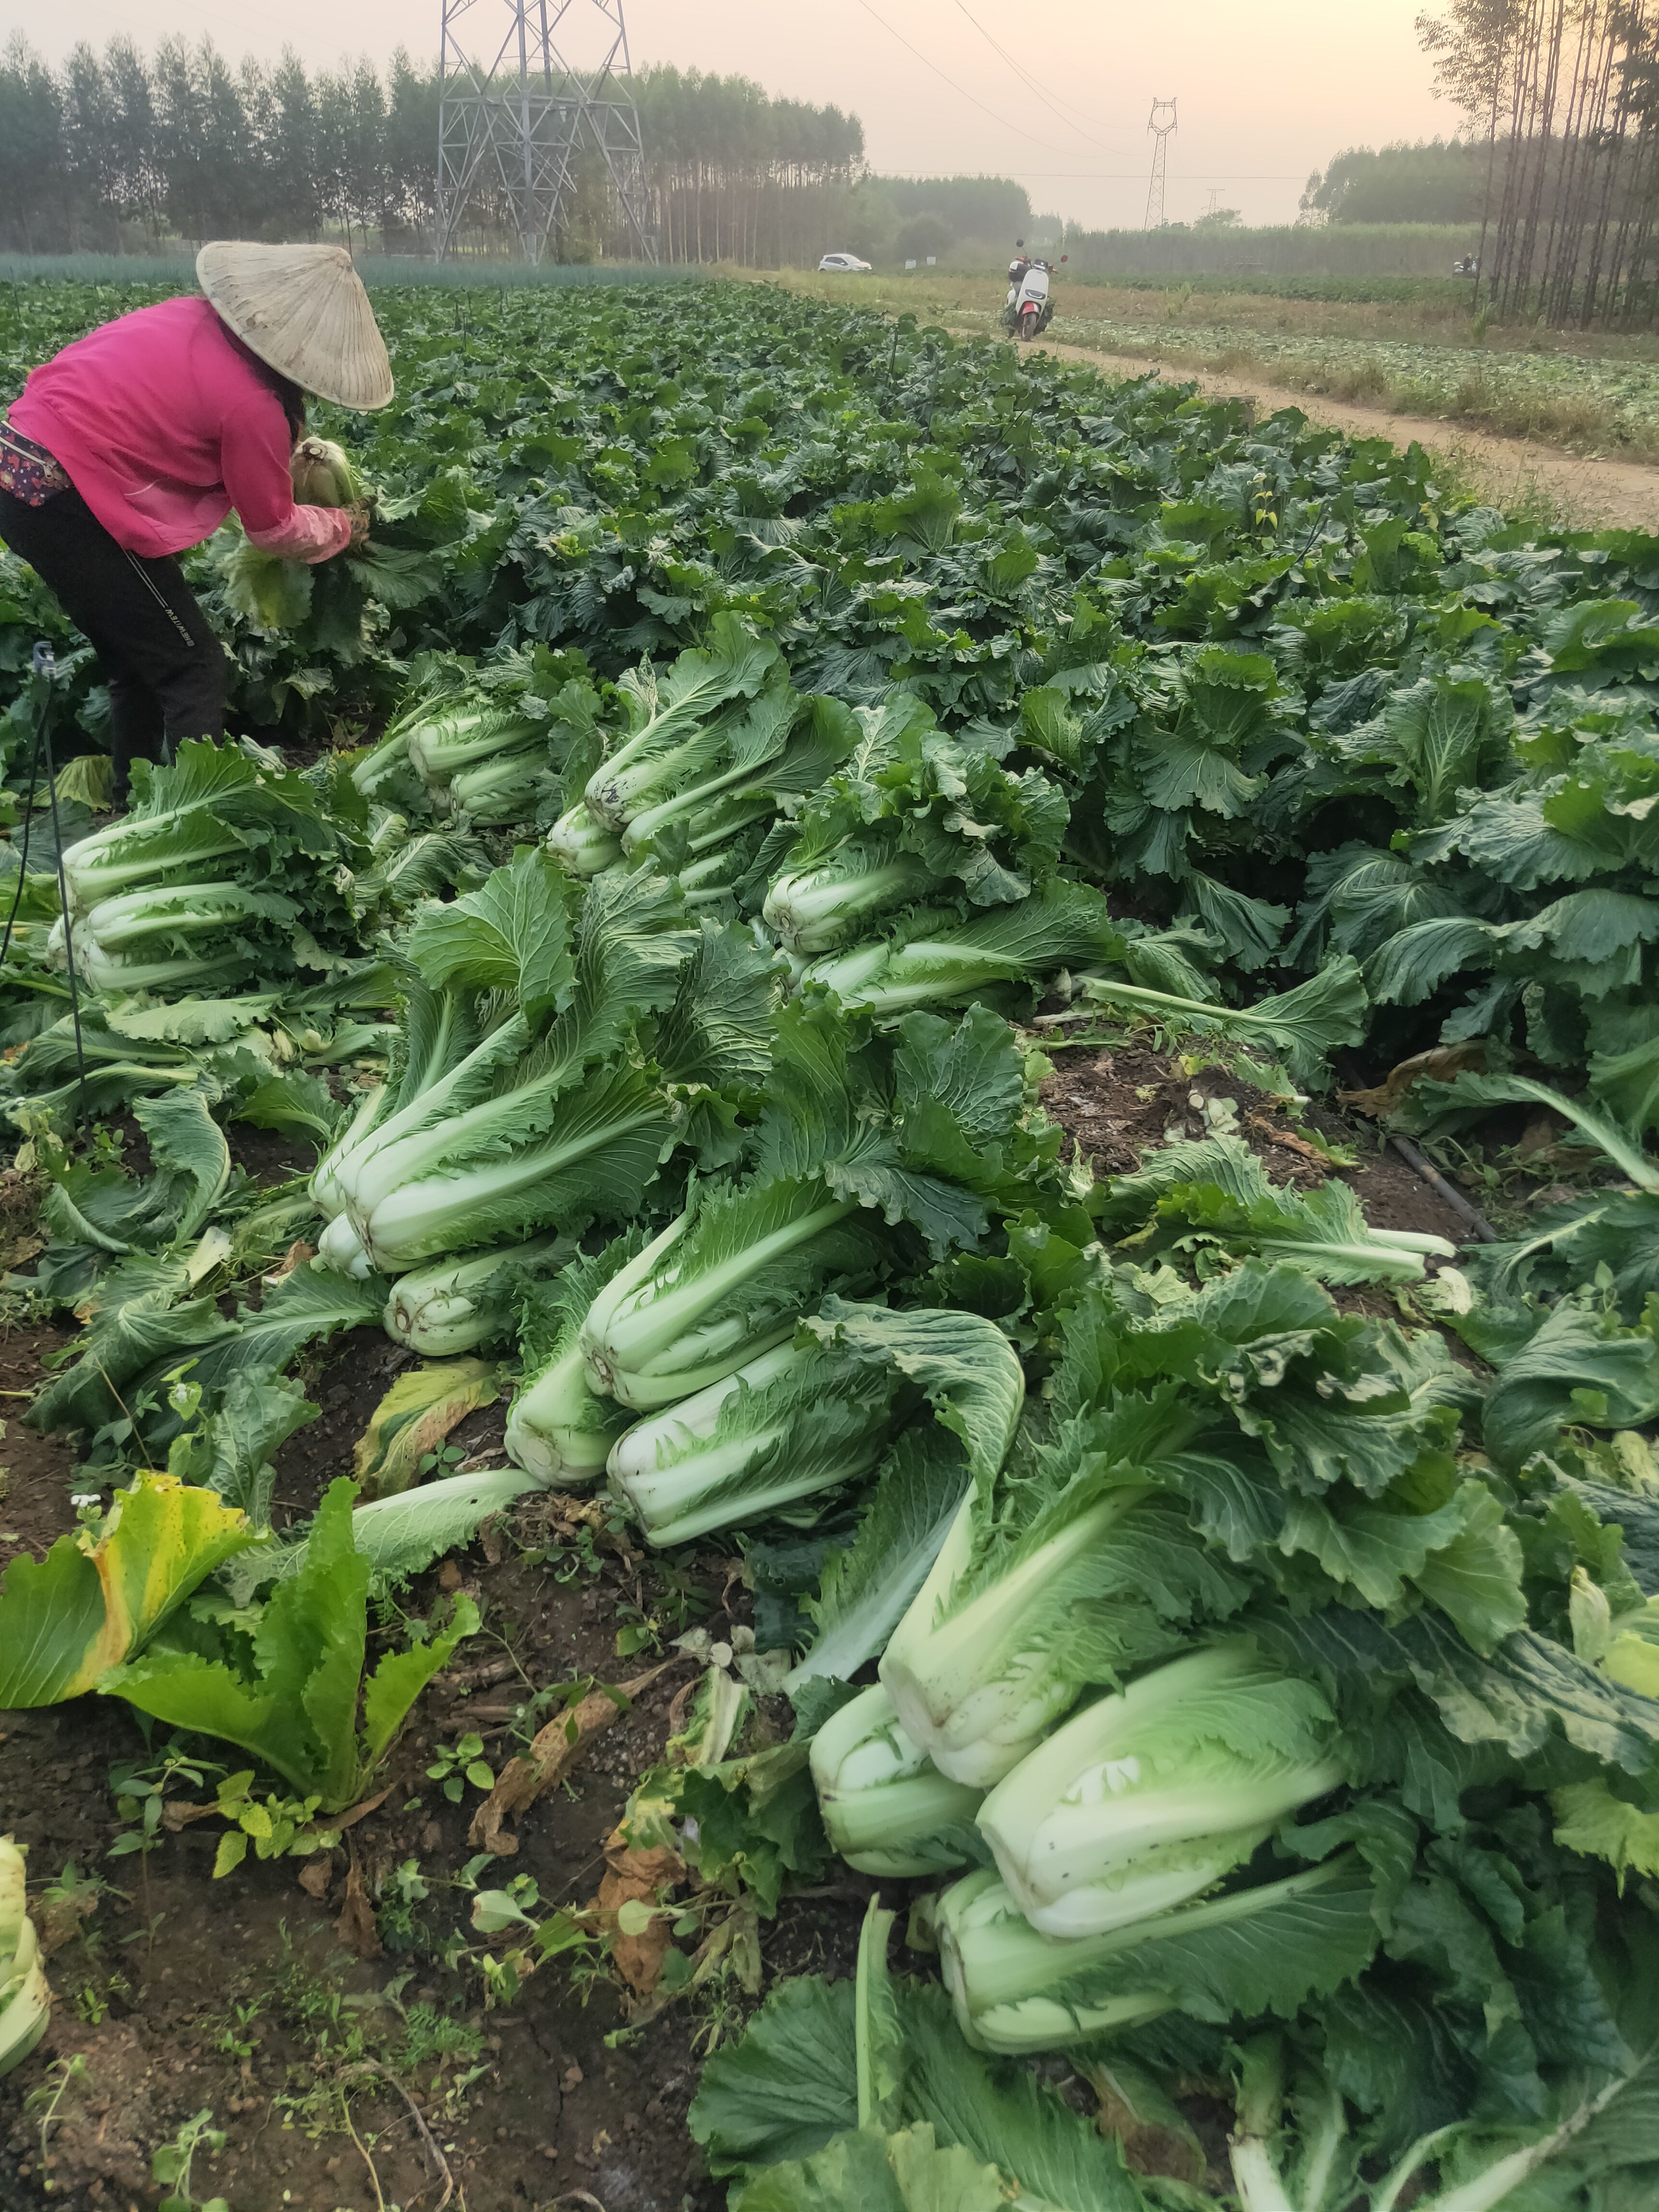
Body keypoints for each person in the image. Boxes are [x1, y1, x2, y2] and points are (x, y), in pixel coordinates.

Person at [0, 241, 394, 801]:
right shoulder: (254, 404)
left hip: (19, 471)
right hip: (71, 499)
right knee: (195, 664)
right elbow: (274, 529)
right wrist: (344, 525)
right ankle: (191, 823)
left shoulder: (185, 315)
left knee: (136, 657)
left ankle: (128, 801)